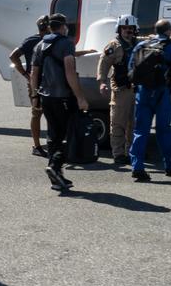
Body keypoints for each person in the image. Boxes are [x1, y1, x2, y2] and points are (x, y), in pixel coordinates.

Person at [29, 13, 89, 191]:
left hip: (46, 97)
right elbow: (70, 72)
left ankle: (57, 177)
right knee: (68, 134)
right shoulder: (66, 44)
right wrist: (80, 97)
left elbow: (34, 74)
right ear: (63, 26)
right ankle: (55, 166)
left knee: (53, 134)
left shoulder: (40, 45)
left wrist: (34, 96)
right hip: (63, 96)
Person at [127, 19, 171, 181]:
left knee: (140, 131)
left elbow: (130, 69)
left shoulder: (141, 46)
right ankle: (170, 165)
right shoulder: (170, 47)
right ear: (169, 31)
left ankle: (137, 167)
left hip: (142, 93)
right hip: (161, 94)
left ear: (155, 30)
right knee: (163, 131)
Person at [96, 14, 139, 168]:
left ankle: (131, 151)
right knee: (118, 123)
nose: (127, 30)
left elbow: (155, 38)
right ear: (119, 29)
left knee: (134, 124)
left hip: (136, 89)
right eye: (124, 28)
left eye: (130, 28)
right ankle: (118, 154)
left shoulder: (138, 42)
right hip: (121, 90)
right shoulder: (113, 46)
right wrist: (102, 82)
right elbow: (104, 63)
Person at [9, 14, 50, 158]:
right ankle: (37, 145)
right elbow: (13, 56)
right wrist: (26, 75)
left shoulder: (33, 40)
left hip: (44, 82)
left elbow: (13, 56)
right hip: (37, 83)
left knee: (42, 113)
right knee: (38, 113)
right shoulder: (33, 41)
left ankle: (41, 144)